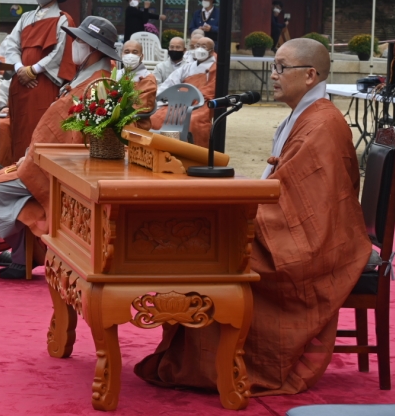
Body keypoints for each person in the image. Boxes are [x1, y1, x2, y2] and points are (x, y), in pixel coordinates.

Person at [137, 38, 372, 396]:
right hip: (288, 222)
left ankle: (219, 364)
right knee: (206, 240)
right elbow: (285, 187)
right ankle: (198, 357)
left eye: (281, 67)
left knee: (213, 252)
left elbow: (306, 209)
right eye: (274, 66)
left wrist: (241, 212)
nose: (273, 75)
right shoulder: (307, 114)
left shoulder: (322, 124)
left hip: (309, 246)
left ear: (310, 75)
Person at [0, 16, 119, 279]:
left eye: (78, 41)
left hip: (61, 167)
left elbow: (81, 138)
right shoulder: (86, 75)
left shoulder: (101, 84)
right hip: (46, 159)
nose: (73, 45)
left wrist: (42, 160)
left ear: (93, 48)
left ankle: (29, 250)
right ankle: (22, 251)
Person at [0, 0, 75, 163]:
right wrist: (19, 68)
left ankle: (37, 170)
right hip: (21, 80)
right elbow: (11, 44)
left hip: (44, 81)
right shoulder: (25, 17)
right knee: (20, 126)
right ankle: (16, 169)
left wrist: (34, 70)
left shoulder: (63, 18)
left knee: (40, 126)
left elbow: (60, 51)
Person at [153, 37, 216, 147]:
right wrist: (157, 97)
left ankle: (196, 154)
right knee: (156, 117)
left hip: (202, 104)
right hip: (180, 102)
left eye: (204, 46)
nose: (200, 49)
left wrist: (193, 96)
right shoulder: (188, 67)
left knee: (193, 122)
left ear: (211, 51)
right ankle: (165, 148)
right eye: (197, 46)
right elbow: (170, 82)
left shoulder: (214, 68)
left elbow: (212, 89)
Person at [119, 39, 158, 130]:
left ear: (141, 56)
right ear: (122, 55)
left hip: (136, 122)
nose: (130, 55)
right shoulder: (116, 75)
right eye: (127, 52)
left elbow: (141, 107)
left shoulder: (147, 78)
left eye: (135, 52)